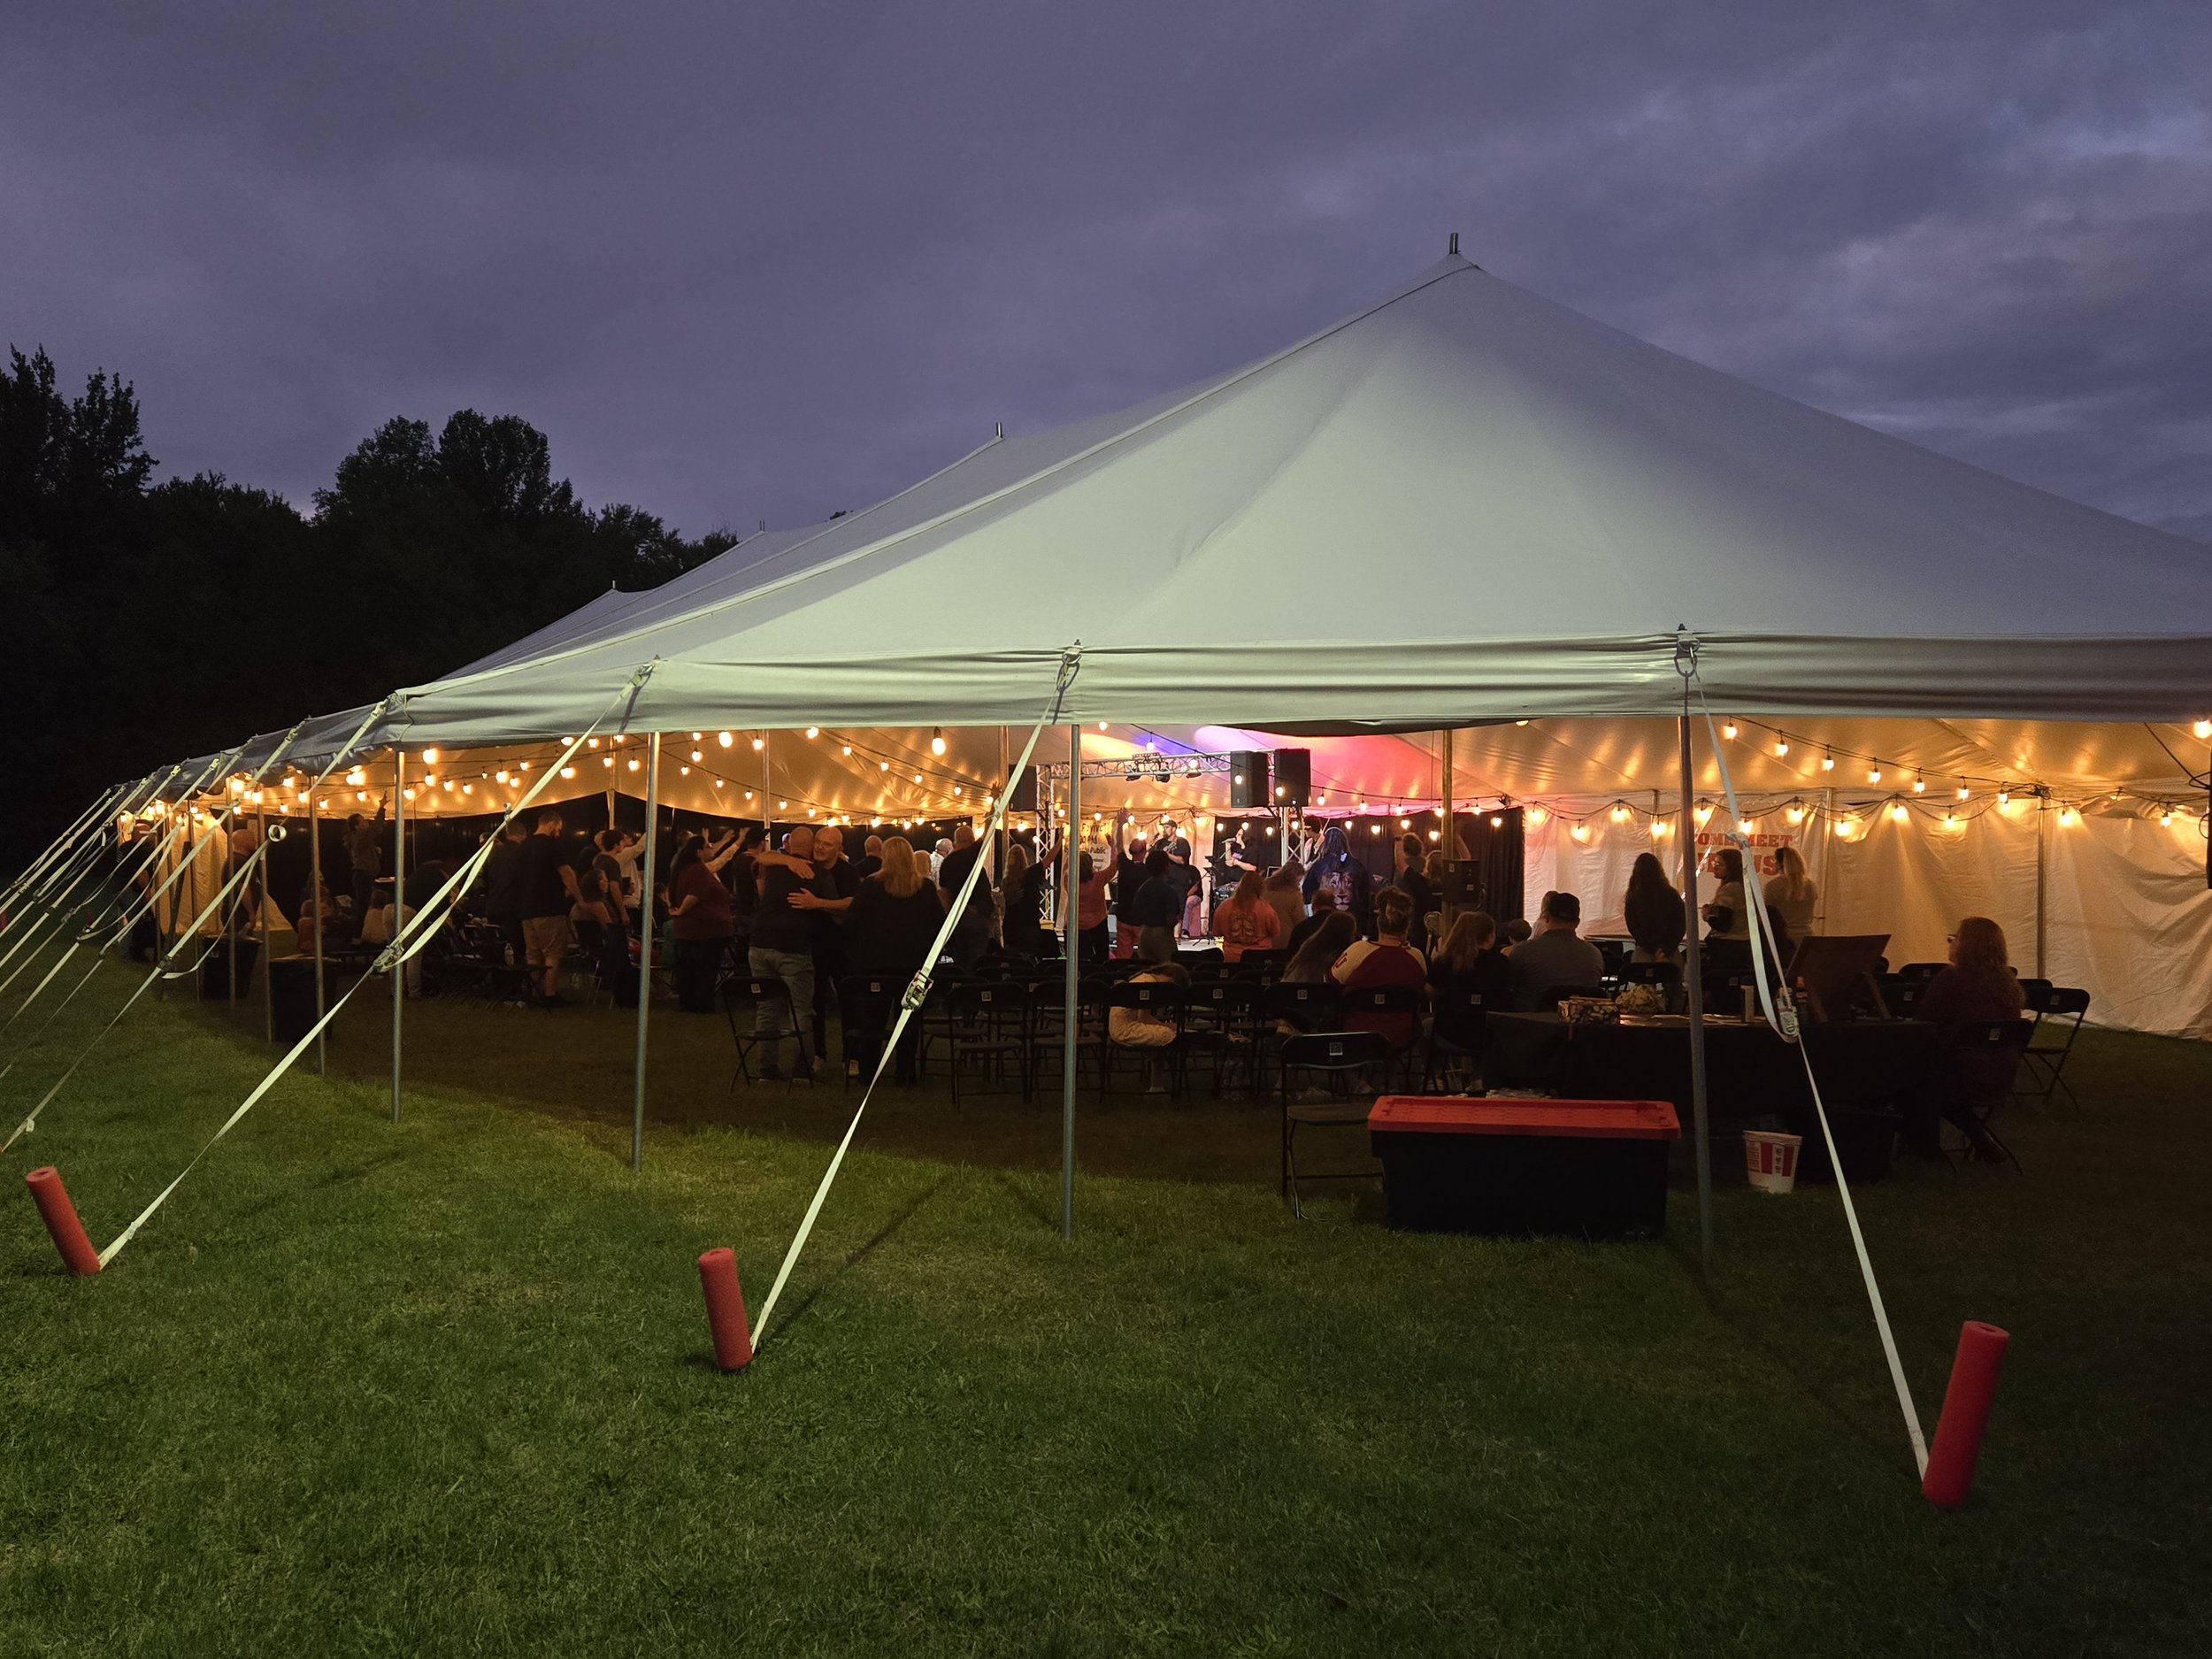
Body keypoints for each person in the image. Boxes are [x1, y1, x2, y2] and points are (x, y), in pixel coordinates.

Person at [1914, 917, 2026, 1161]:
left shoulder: (1951, 979)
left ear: (1965, 945)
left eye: (1954, 938)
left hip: (1959, 1075)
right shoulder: (2008, 984)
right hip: (2001, 1075)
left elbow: (1923, 1025)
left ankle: (1923, 1147)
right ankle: (1979, 1137)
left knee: (1909, 1076)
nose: (1950, 943)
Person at [843, 836, 945, 1083]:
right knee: (909, 1020)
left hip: (875, 964)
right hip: (913, 966)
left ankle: (868, 1070)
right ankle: (905, 1071)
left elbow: (852, 922)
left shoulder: (871, 886)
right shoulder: (925, 888)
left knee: (872, 1019)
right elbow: (939, 925)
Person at [749, 825, 833, 1079]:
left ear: (788, 845)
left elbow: (760, 858)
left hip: (760, 944)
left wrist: (785, 860)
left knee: (767, 1007)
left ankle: (767, 1068)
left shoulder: (774, 868)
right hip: (793, 947)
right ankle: (802, 1068)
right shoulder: (816, 874)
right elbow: (838, 911)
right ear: (811, 847)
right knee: (801, 1010)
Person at [1330, 887, 1425, 1048]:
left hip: (1356, 1035)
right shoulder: (1417, 957)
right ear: (1407, 926)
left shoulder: (1357, 951)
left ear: (1378, 922)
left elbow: (1331, 981)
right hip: (1401, 1037)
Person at [518, 809, 582, 1006]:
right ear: (551, 824)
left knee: (533, 954)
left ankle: (534, 993)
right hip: (549, 906)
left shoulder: (523, 846)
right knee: (553, 953)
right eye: (559, 829)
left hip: (526, 908)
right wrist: (579, 898)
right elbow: (566, 873)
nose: (558, 833)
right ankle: (550, 994)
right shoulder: (552, 845)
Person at [806, 825, 860, 1059]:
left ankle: (851, 1057)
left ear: (839, 848)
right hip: (813, 944)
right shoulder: (805, 866)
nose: (819, 847)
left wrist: (817, 903)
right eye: (818, 841)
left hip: (842, 945)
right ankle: (818, 1054)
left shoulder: (847, 872)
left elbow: (851, 903)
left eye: (827, 844)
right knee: (814, 1003)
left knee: (848, 1002)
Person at [667, 834, 735, 1014]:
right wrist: (681, 910)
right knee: (705, 970)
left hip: (690, 929)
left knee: (690, 968)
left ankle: (689, 1003)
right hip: (706, 929)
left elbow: (673, 892)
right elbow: (696, 894)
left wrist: (674, 908)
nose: (711, 848)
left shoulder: (682, 870)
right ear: (699, 852)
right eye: (707, 846)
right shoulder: (698, 870)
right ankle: (702, 1005)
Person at [1510, 890, 1605, 1010]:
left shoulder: (1523, 952)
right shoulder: (1594, 955)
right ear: (1577, 923)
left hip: (1531, 1019)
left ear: (1546, 917)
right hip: (1580, 1020)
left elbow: (1509, 987)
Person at [1108, 959, 1187, 1093]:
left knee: (1164, 1035)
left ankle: (1157, 1085)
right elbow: (1143, 1017)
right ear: (1171, 981)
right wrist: (1168, 1026)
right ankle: (1159, 1086)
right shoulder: (1149, 985)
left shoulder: (1144, 978)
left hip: (1118, 1026)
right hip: (1126, 1028)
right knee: (1170, 1034)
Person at [474, 818, 530, 965]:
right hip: (513, 909)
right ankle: (517, 977)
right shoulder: (522, 852)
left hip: (493, 907)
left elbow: (485, 880)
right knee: (517, 951)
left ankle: (499, 978)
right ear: (523, 834)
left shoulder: (495, 854)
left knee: (497, 951)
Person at [1430, 910, 1513, 1004]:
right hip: (1491, 1013)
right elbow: (1507, 994)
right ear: (1490, 937)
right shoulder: (1501, 962)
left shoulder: (1445, 960)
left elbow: (1430, 990)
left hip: (1451, 1013)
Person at [1302, 826, 1372, 936]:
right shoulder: (1357, 866)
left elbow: (1307, 893)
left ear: (1326, 843)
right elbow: (1365, 897)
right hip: (1352, 924)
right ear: (1345, 842)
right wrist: (1366, 927)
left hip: (1324, 925)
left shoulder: (1319, 866)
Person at [1624, 851, 1686, 962]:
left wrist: (1651, 949)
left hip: (1644, 953)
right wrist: (1667, 950)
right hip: (1670, 953)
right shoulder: (1672, 895)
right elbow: (1680, 924)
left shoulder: (1633, 897)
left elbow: (1633, 927)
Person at [1211, 867, 1280, 963]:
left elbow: (1217, 932)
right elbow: (1275, 932)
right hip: (1259, 959)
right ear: (1261, 888)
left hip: (1232, 959)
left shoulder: (1224, 907)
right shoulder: (1266, 909)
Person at [1131, 849, 1184, 964]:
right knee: (1167, 968)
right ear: (1166, 867)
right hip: (1162, 934)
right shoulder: (1169, 891)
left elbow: (1136, 913)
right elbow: (1170, 920)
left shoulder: (1143, 888)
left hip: (1144, 933)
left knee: (1147, 967)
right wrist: (1179, 917)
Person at [999, 841, 1048, 959]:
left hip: (1010, 928)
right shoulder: (1030, 874)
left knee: (1012, 959)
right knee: (1029, 960)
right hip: (1029, 927)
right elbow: (1048, 859)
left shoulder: (1006, 882)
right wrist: (1060, 839)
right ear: (1024, 858)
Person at [1763, 845, 1818, 949]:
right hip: (1807, 937)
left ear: (1780, 864)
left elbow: (1765, 914)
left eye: (1774, 860)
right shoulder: (1811, 885)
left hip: (1782, 939)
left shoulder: (1772, 886)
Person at [1282, 910, 1356, 985]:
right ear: (1347, 936)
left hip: (1289, 989)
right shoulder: (1339, 958)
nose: (1354, 937)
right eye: (1353, 934)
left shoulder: (1308, 948)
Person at [1392, 833, 1438, 954]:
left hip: (1412, 921)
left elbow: (1400, 864)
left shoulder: (1420, 882)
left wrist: (1398, 838)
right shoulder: (1447, 885)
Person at [342, 805, 386, 924]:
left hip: (364, 874)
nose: (366, 822)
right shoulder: (359, 838)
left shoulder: (360, 840)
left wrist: (375, 852)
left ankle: (361, 928)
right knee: (363, 905)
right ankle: (360, 930)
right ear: (357, 827)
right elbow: (376, 829)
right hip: (363, 875)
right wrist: (381, 808)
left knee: (363, 904)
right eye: (362, 821)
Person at [1703, 848, 1751, 946]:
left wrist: (1707, 917)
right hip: (1744, 940)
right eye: (1714, 863)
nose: (1715, 867)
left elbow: (1723, 924)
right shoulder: (1743, 886)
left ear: (1731, 868)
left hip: (1727, 942)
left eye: (1720, 865)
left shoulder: (1729, 889)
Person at [936, 822, 989, 902]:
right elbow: (985, 837)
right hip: (977, 905)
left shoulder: (947, 862)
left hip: (956, 906)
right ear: (971, 840)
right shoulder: (971, 854)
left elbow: (944, 890)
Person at [1284, 886, 1338, 960]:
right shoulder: (1343, 927)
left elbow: (1291, 954)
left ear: (1313, 905)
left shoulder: (1301, 928)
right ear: (1334, 905)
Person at [1261, 862, 1305, 949]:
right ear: (1294, 879)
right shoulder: (1294, 895)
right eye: (1299, 881)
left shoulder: (1264, 889)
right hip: (1285, 938)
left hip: (1264, 937)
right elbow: (1300, 921)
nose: (1299, 884)